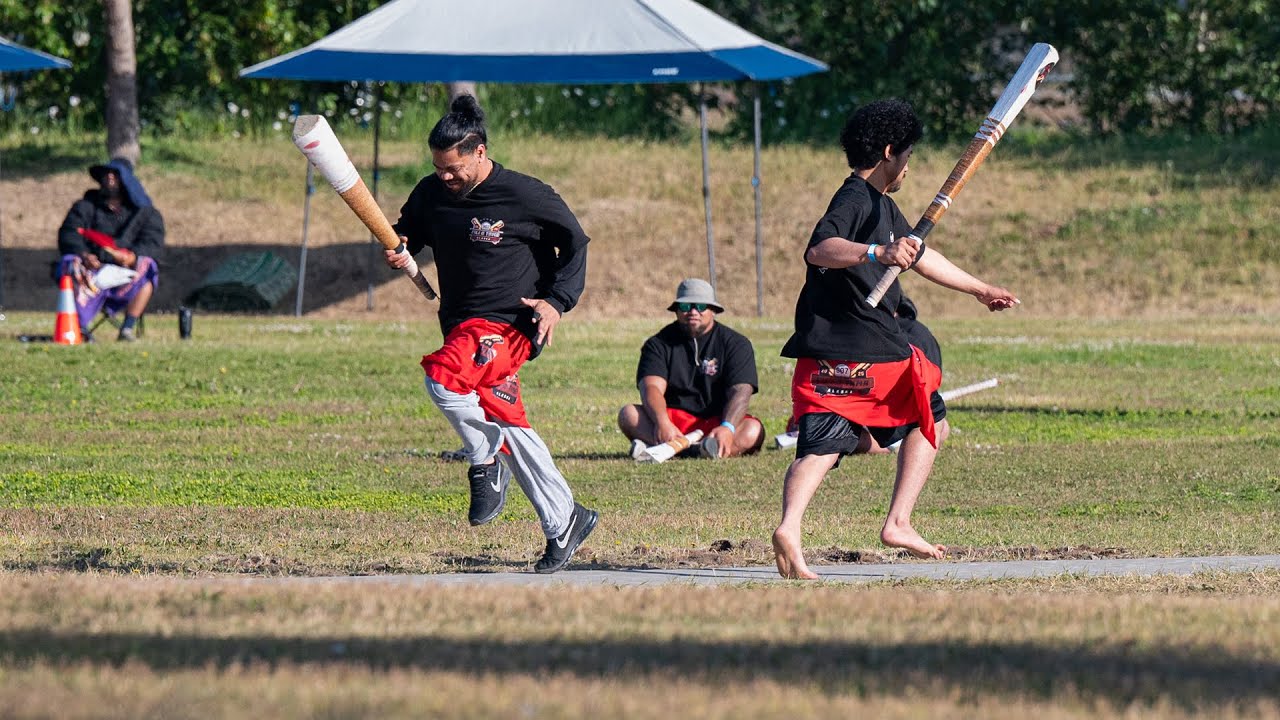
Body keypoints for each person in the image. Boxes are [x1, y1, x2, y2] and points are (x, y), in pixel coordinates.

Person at [772, 99, 1019, 579]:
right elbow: (820, 248)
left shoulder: (882, 206)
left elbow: (922, 257)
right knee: (931, 413)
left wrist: (980, 289)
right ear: (889, 152)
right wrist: (877, 250)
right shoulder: (856, 199)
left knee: (823, 441)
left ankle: (790, 526)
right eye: (907, 155)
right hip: (868, 345)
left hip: (823, 349)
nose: (908, 165)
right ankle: (899, 521)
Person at [385, 95, 598, 574]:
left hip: (511, 323)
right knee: (510, 426)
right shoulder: (432, 192)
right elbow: (408, 230)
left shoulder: (525, 195)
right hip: (462, 323)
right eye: (438, 167)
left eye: (453, 168)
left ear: (480, 153)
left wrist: (557, 303)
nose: (445, 177)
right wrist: (400, 248)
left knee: (443, 377)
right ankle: (566, 520)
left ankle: (484, 460)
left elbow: (576, 243)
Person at [617, 278, 764, 459]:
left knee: (753, 431)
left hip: (718, 422)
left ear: (713, 310)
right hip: (673, 423)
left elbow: (742, 390)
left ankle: (663, 449)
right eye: (686, 306)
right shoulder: (657, 344)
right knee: (629, 414)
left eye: (701, 306)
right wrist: (663, 423)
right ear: (677, 310)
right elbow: (651, 387)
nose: (693, 312)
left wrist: (727, 427)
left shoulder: (736, 344)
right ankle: (699, 450)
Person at [56, 158, 164, 342]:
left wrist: (131, 256)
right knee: (71, 263)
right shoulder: (85, 207)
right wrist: (84, 254)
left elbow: (152, 241)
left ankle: (127, 329)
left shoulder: (144, 213)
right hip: (89, 270)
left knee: (148, 267)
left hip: (125, 271)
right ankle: (79, 328)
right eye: (106, 175)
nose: (109, 179)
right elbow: (68, 234)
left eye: (115, 175)